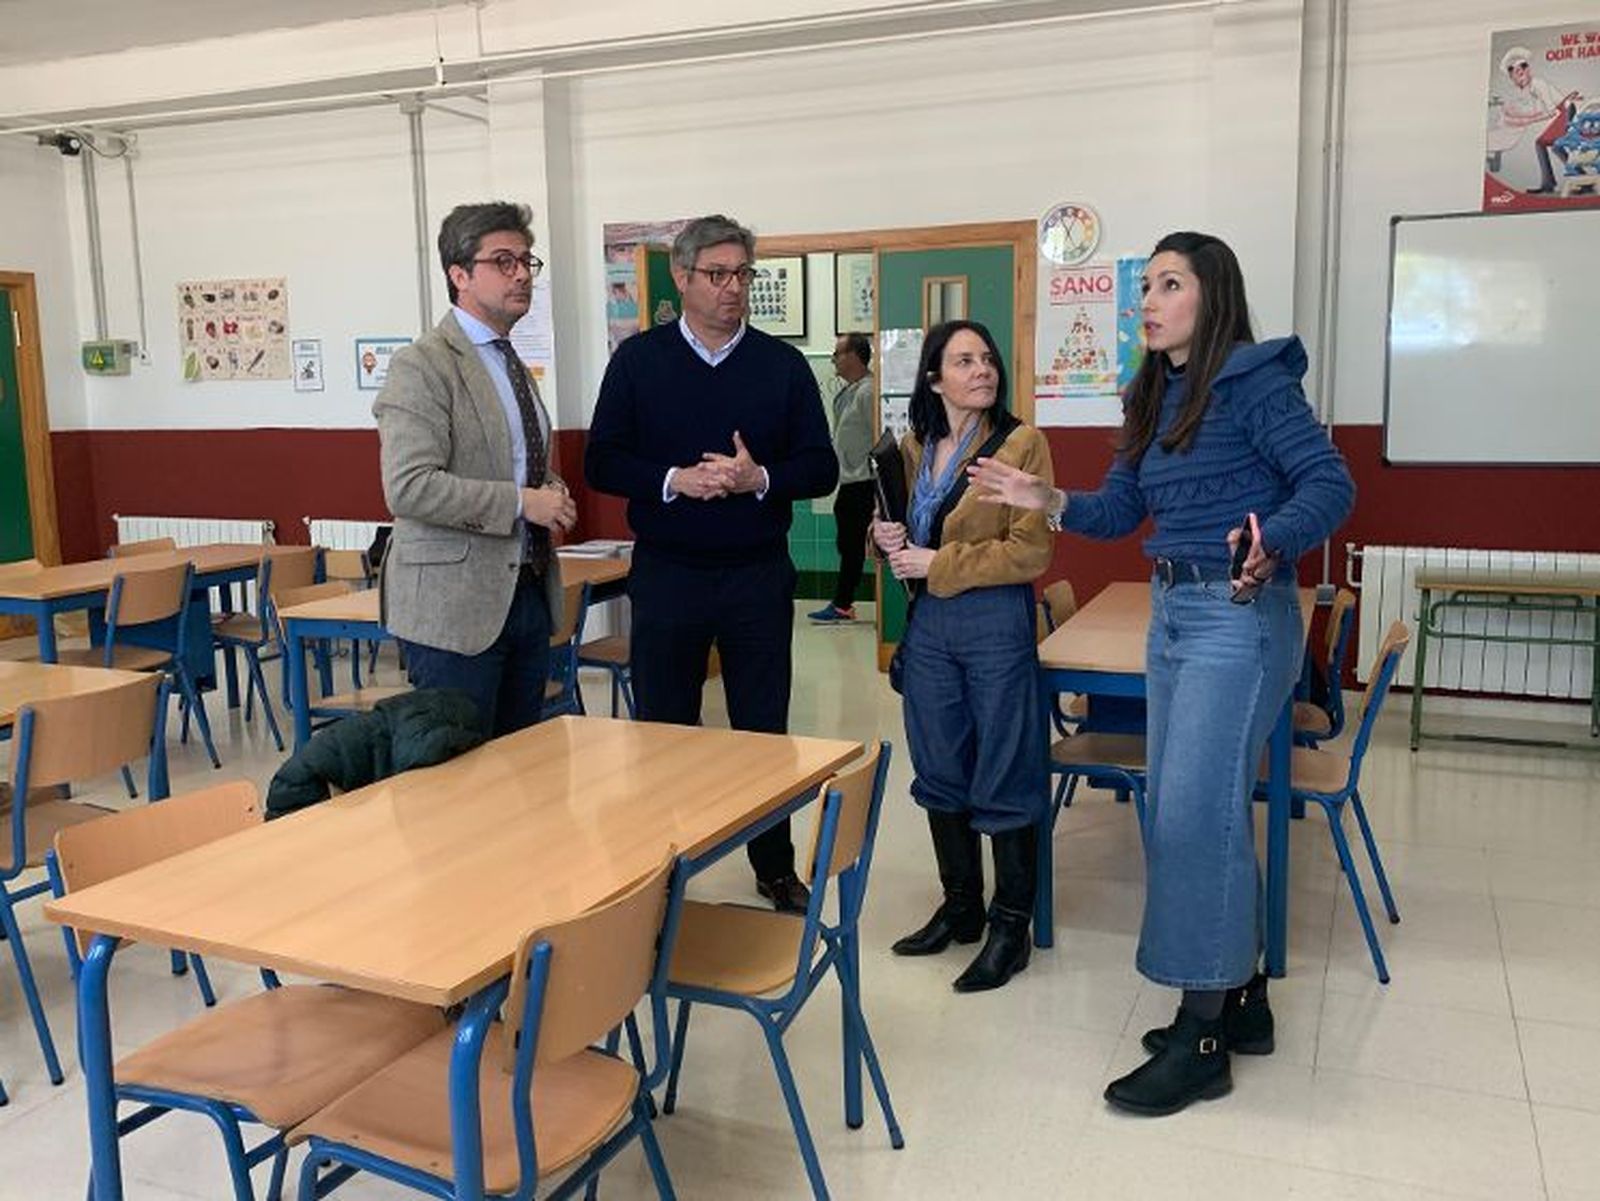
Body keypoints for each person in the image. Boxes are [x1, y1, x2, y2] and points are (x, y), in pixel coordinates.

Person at [970, 232, 1354, 1113]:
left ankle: (1203, 1032)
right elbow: (1118, 511)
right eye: (1146, 285)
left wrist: (1274, 541)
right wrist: (1047, 499)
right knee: (1199, 811)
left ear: (1211, 297)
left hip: (1238, 616)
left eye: (1169, 284)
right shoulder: (1156, 390)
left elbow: (1328, 485)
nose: (1148, 299)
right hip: (1175, 613)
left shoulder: (1255, 382)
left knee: (1189, 817)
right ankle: (1244, 997)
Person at [585, 214, 839, 914]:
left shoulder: (782, 366)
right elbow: (601, 458)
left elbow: (821, 465)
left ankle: (774, 864)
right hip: (668, 570)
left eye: (743, 275)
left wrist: (759, 478)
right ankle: (662, 864)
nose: (733, 290)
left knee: (763, 728)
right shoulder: (639, 361)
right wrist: (673, 478)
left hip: (757, 572)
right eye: (718, 275)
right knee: (665, 726)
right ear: (684, 277)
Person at [874, 319, 1053, 992]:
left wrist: (936, 560)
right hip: (929, 629)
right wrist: (883, 535)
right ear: (933, 376)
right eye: (964, 359)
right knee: (940, 765)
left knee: (1004, 767)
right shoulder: (917, 445)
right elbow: (902, 540)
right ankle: (962, 907)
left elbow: (1031, 550)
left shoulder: (1022, 443)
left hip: (993, 621)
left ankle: (1012, 925)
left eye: (988, 357)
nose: (982, 369)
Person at [375, 201, 575, 738]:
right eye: (503, 261)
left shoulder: (511, 361)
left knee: (517, 770)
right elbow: (409, 487)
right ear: (459, 275)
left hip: (526, 592)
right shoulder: (423, 364)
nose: (520, 275)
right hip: (454, 609)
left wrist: (549, 489)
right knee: (457, 781)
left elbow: (517, 460)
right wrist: (521, 502)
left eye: (526, 262)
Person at [809, 333, 876, 623]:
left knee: (852, 544)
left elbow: (882, 438)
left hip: (865, 482)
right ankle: (842, 602)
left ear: (853, 356)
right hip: (850, 480)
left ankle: (842, 604)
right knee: (847, 542)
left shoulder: (868, 392)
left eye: (838, 353)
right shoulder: (851, 391)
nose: (834, 359)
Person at [1498, 45, 1574, 193]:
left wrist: (1528, 119)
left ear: (1528, 70)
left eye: (1523, 68)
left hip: (1566, 111)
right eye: (1514, 72)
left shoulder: (1538, 84)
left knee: (1542, 143)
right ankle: (1577, 175)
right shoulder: (1530, 89)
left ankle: (1549, 183)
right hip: (1564, 111)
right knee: (1555, 145)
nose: (1520, 73)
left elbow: (1550, 109)